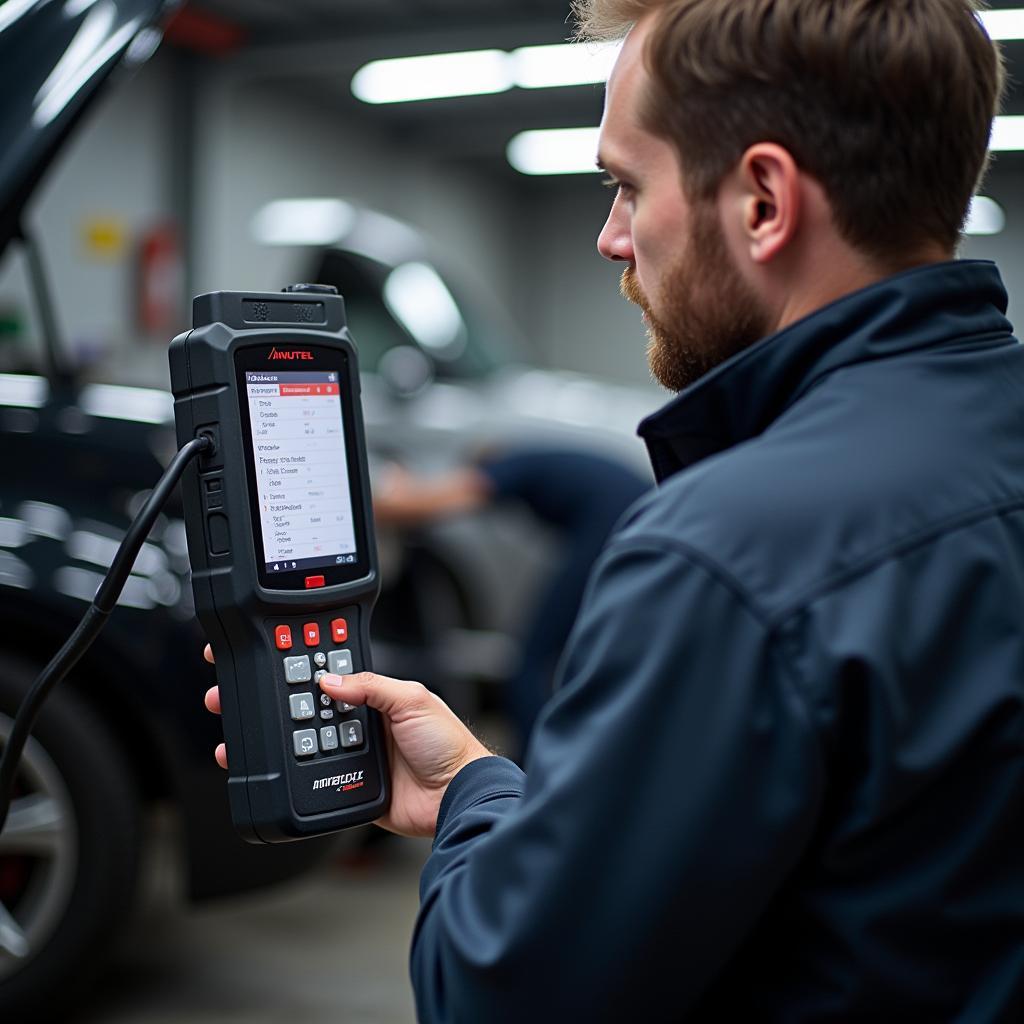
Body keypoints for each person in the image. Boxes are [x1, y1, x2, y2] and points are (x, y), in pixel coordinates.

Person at [206, 0, 1024, 1018]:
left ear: (763, 200)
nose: (609, 238)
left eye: (627, 186)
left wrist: (475, 828)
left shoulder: (729, 554)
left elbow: (501, 994)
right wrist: (473, 780)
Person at [374, 449, 651, 758]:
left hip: (614, 530)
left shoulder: (512, 464)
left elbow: (442, 501)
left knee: (531, 662)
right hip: (641, 523)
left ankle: (536, 768)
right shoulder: (546, 459)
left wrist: (373, 505)